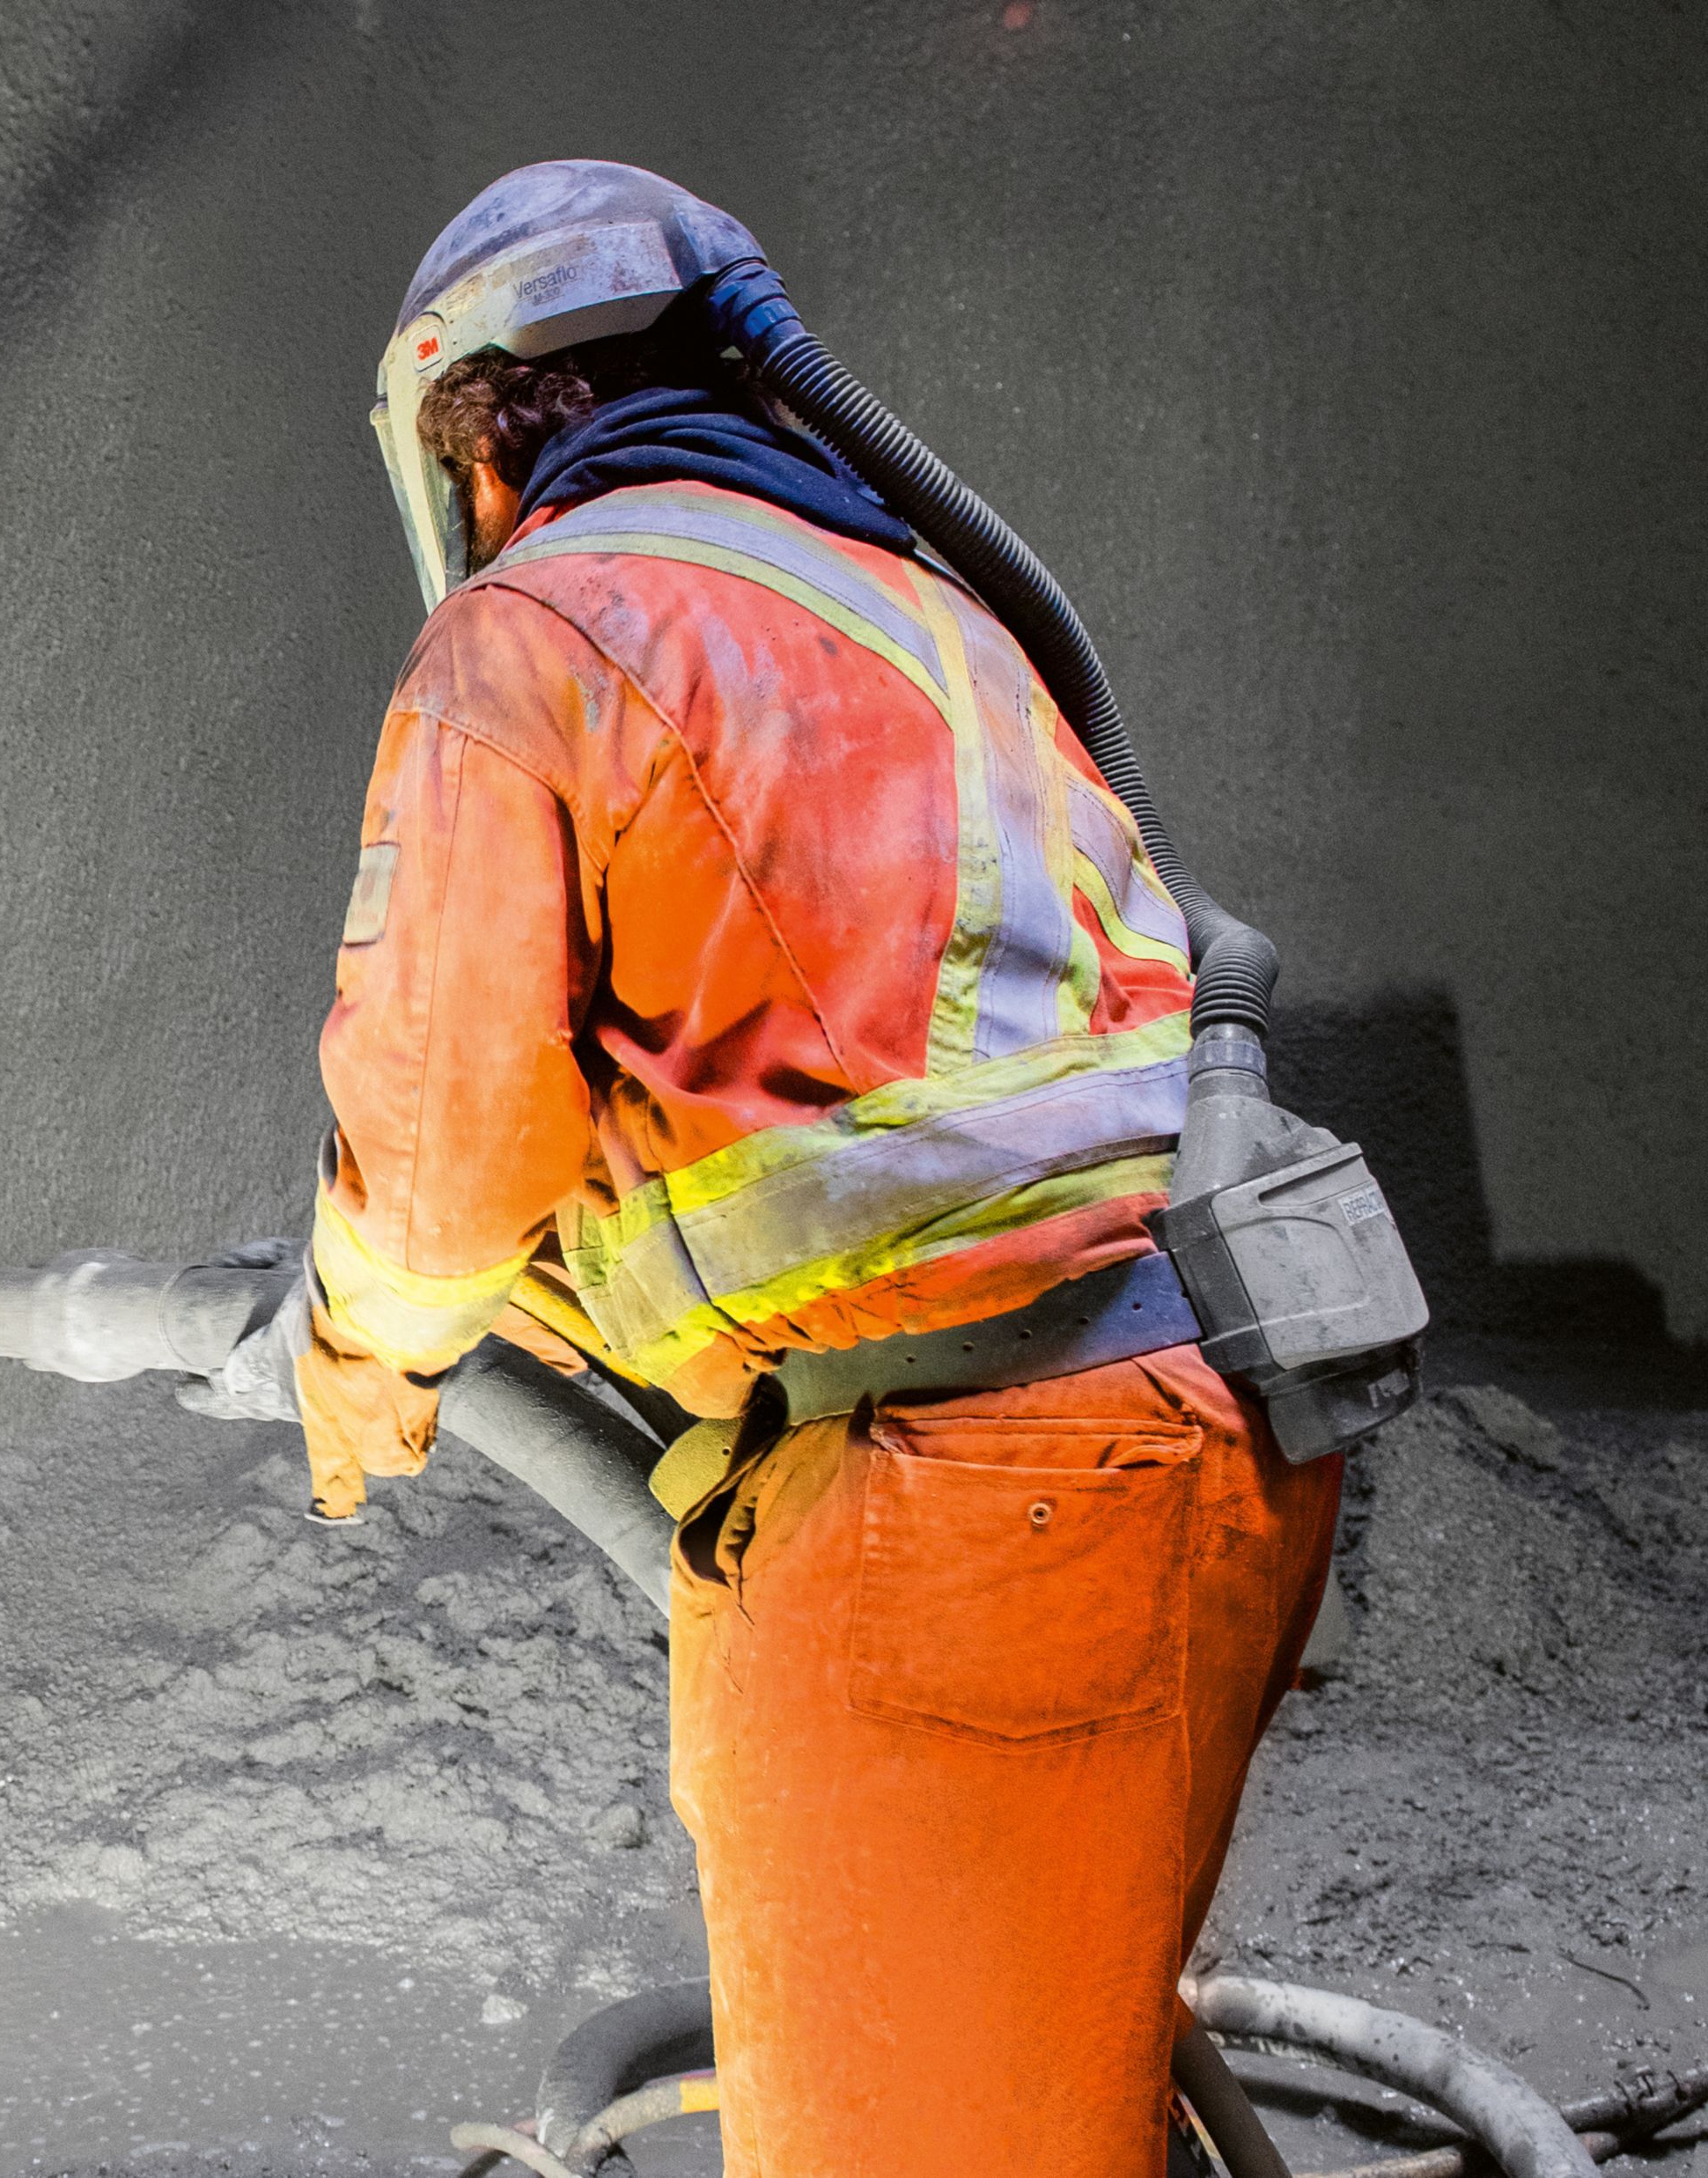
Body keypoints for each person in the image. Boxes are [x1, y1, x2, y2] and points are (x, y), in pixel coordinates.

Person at [219, 163, 1340, 2175]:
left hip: (965, 1525)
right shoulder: (915, 608)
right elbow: (851, 1106)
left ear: (466, 431)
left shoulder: (533, 629)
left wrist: (365, 1348)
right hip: (1208, 1427)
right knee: (1041, 2078)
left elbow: (445, 1153)